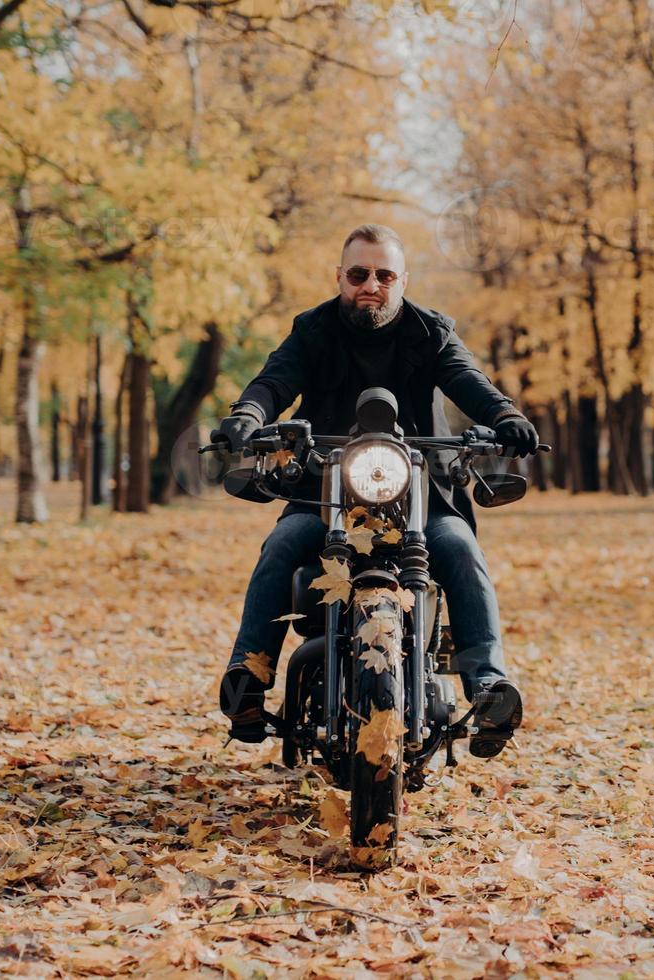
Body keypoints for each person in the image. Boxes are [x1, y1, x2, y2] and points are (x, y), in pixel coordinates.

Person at [213, 224, 537, 759]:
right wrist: (248, 414)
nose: (372, 284)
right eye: (359, 274)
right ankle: (248, 677)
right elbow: (276, 380)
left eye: (384, 275)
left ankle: (488, 687)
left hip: (421, 497)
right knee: (282, 543)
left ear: (402, 281)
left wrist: (504, 414)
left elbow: (465, 378)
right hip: (326, 493)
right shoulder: (313, 330)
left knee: (458, 545)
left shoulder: (430, 331)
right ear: (340, 277)